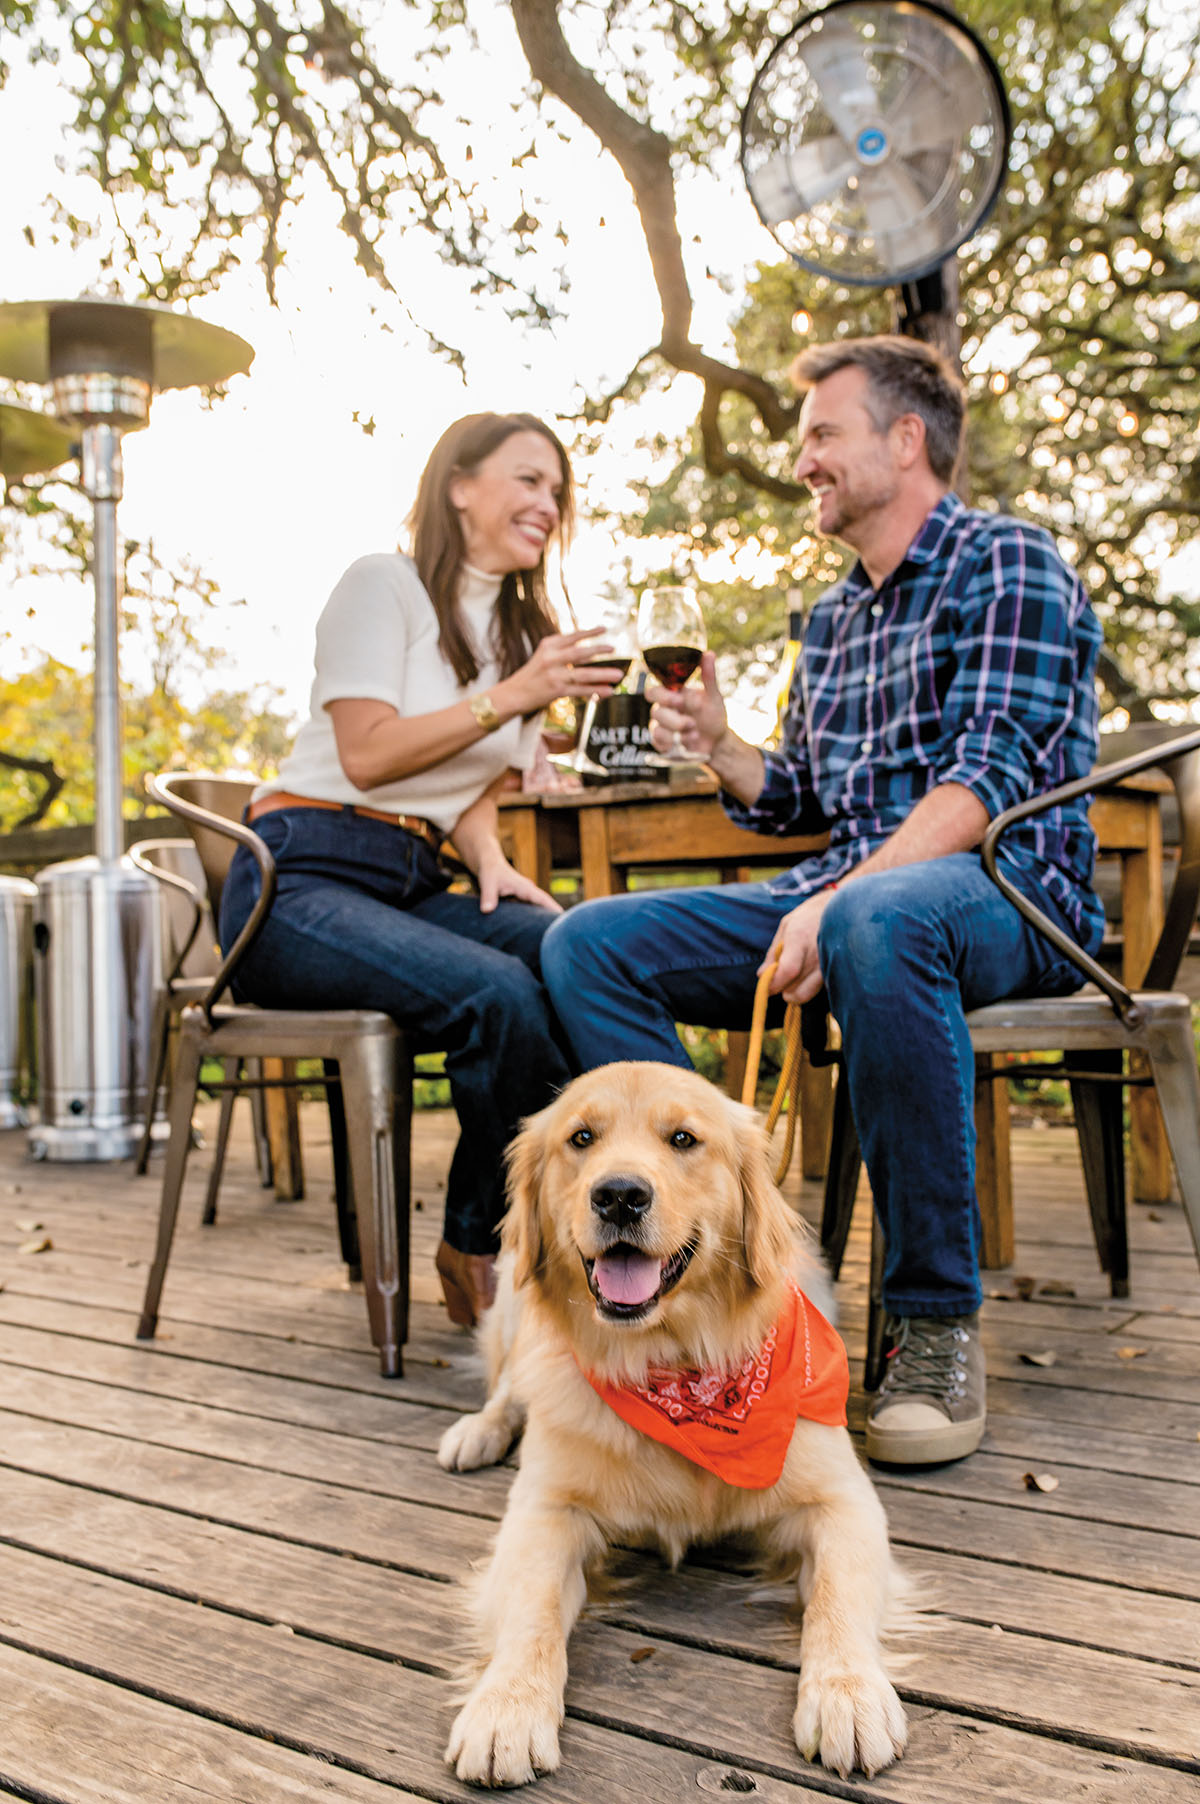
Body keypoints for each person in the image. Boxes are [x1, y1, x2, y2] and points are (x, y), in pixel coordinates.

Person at [540, 336, 1106, 1468]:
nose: (801, 459)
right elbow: (798, 793)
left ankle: (933, 1322)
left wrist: (846, 892)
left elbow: (984, 783)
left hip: (1008, 897)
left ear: (905, 440)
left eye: (821, 433)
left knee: (873, 919)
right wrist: (725, 749)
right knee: (586, 942)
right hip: (847, 895)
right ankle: (696, 1249)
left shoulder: (1009, 564)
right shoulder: (835, 618)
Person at [219, 411, 622, 1329]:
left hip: (413, 877)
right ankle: (483, 1246)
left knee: (579, 949)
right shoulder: (384, 585)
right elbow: (368, 755)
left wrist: (491, 866)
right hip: (298, 880)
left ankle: (583, 1237)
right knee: (499, 995)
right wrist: (513, 699)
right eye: (528, 480)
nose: (547, 504)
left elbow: (466, 786)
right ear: (460, 487)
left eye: (557, 490)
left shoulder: (527, 642)